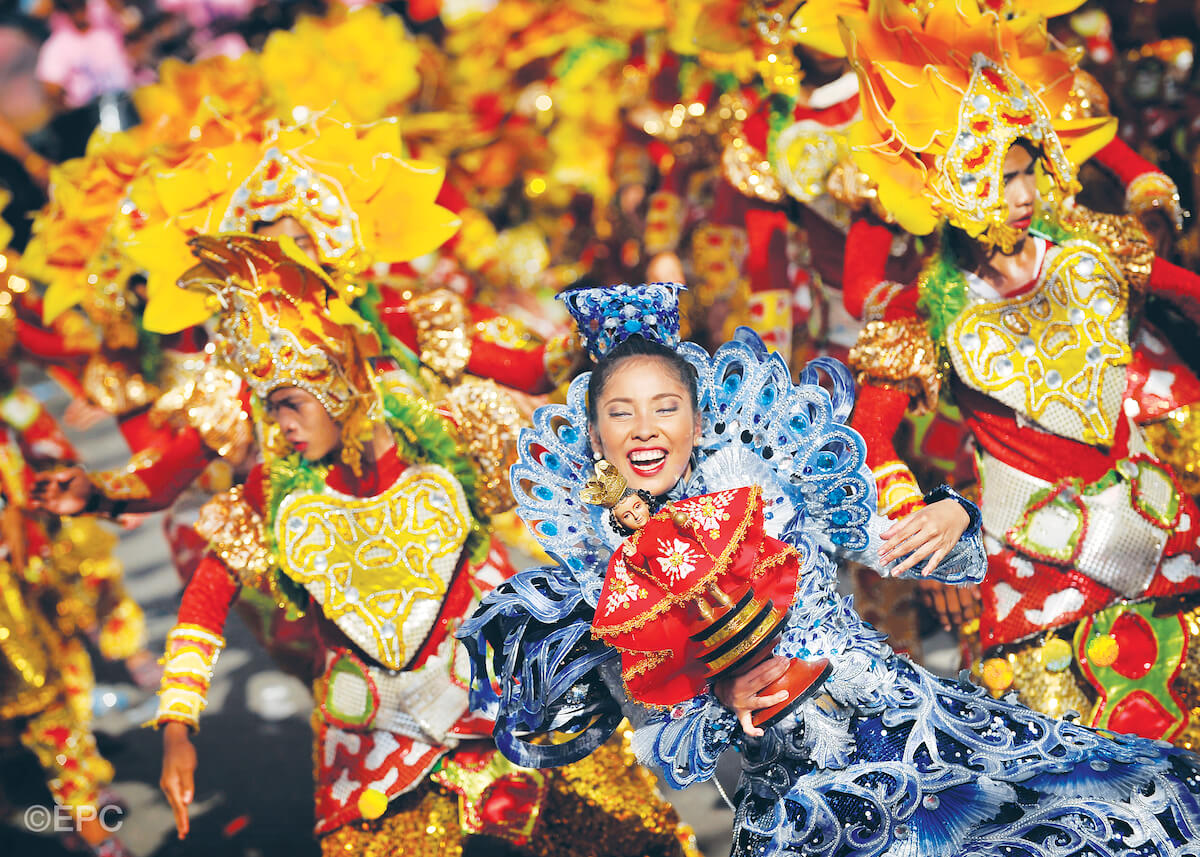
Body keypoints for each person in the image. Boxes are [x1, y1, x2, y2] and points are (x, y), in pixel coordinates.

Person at [460, 279, 1200, 856]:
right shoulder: (601, 562)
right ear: (596, 433)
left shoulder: (768, 477)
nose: (645, 430)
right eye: (622, 412)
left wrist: (952, 514)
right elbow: (658, 718)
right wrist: (720, 698)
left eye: (665, 407)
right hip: (793, 793)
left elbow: (901, 545)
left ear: (697, 415)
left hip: (902, 728)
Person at [148, 235, 698, 857]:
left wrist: (613, 351)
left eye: (290, 404)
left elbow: (578, 461)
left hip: (504, 693)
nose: (281, 428)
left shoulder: (448, 437)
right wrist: (177, 724)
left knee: (635, 840)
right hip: (374, 735)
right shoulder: (275, 495)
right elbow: (206, 598)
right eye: (272, 410)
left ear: (336, 383)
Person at [841, 0, 1200, 739]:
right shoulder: (923, 310)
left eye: (1029, 171)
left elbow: (1189, 294)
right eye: (1002, 177)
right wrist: (922, 519)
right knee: (1074, 773)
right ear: (951, 182)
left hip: (1162, 540)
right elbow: (869, 438)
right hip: (1035, 571)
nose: (1026, 194)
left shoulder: (1094, 252)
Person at [583, 459, 832, 723]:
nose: (636, 516)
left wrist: (685, 524)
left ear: (644, 501)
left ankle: (730, 610)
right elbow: (640, 567)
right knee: (705, 612)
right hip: (679, 582)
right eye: (627, 516)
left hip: (698, 565)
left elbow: (696, 525)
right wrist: (633, 556)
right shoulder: (635, 544)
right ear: (620, 523)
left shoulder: (668, 516)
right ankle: (720, 621)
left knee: (728, 604)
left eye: (636, 507)